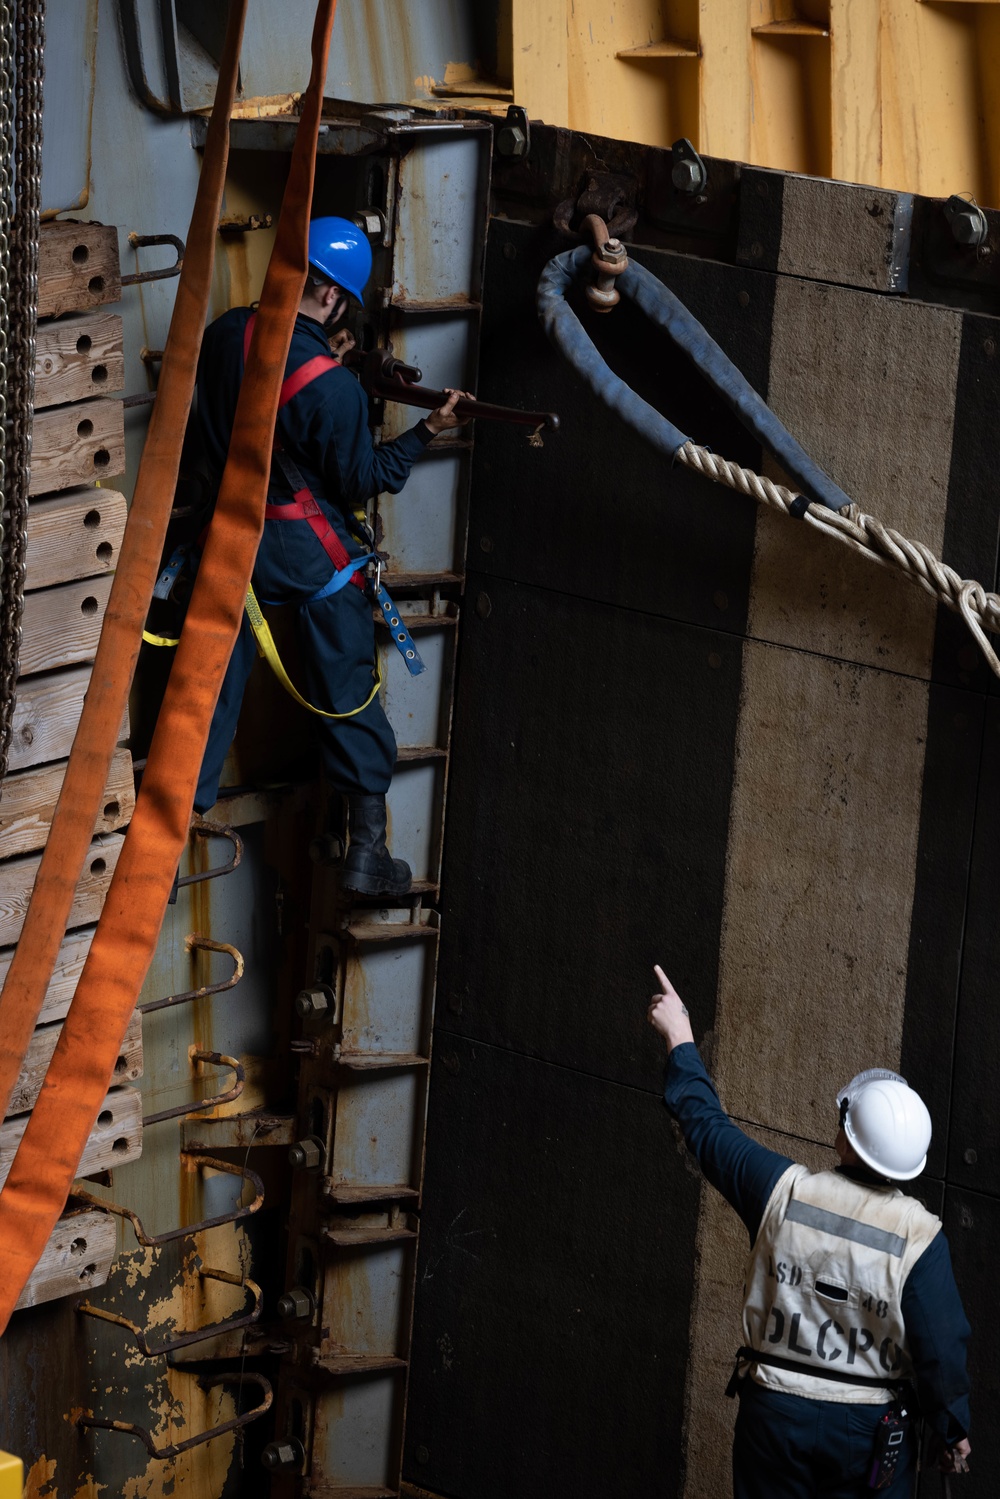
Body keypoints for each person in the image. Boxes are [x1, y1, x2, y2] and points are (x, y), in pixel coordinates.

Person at [192, 216, 469, 894]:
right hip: (304, 553)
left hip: (227, 537)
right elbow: (360, 478)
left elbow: (258, 405)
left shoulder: (226, 332)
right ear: (336, 299)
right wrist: (427, 431)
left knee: (210, 682)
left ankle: (180, 813)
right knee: (345, 685)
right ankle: (365, 850)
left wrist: (332, 363)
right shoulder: (333, 390)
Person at [647, 965, 971, 1498]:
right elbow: (940, 1346)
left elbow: (707, 1127)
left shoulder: (781, 1191)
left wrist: (679, 1034)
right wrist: (951, 1428)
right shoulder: (921, 1236)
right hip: (872, 1431)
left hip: (774, 1416)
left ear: (845, 1138)